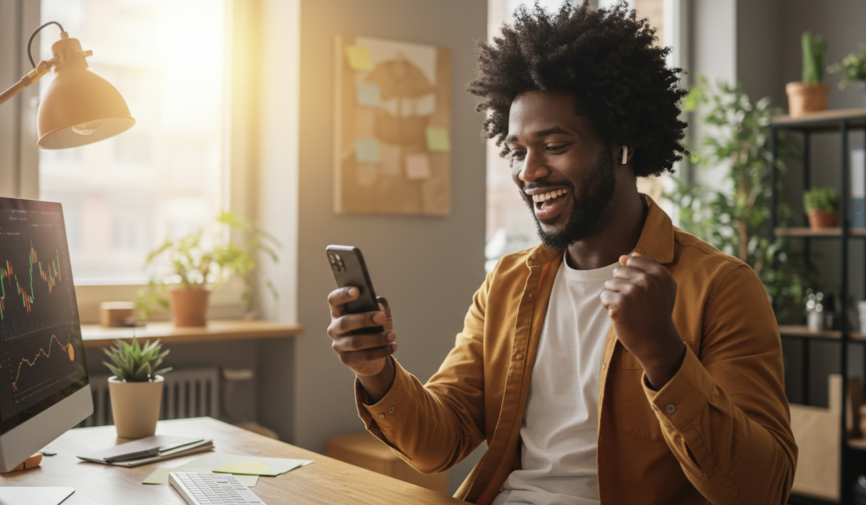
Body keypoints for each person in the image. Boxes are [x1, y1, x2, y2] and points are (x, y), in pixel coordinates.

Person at [326, 2, 796, 504]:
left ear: (622, 145)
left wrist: (664, 354)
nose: (528, 172)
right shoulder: (508, 283)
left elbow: (760, 490)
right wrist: (377, 374)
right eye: (516, 151)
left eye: (553, 146)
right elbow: (440, 444)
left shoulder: (720, 287)